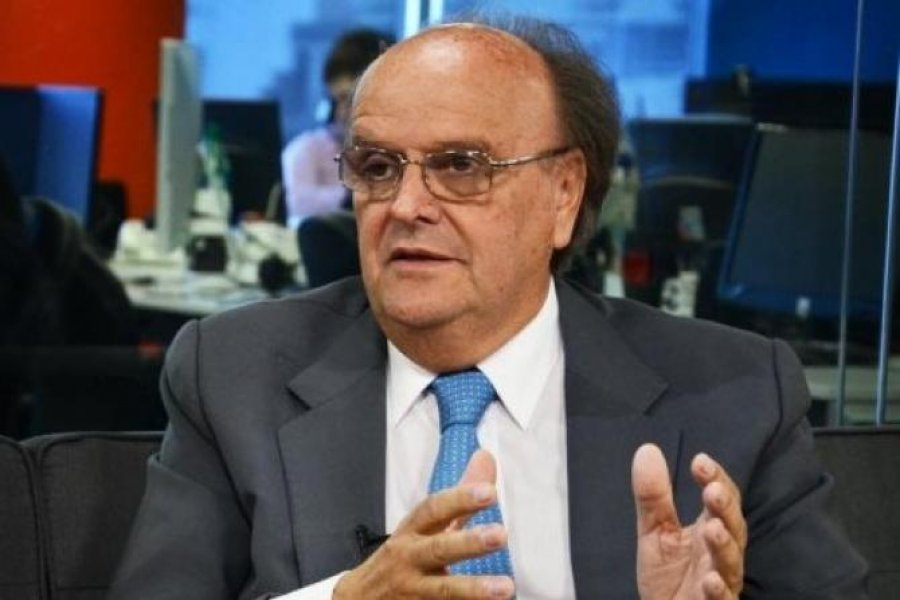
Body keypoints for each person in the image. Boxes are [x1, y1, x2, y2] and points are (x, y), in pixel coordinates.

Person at [110, 15, 867, 600]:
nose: (406, 205)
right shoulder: (231, 375)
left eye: (461, 167)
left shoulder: (736, 395)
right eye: (377, 166)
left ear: (564, 195)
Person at [281, 28, 393, 227]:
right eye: (339, 100)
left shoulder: (404, 151)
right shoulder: (306, 149)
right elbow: (295, 202)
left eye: (352, 100)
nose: (343, 111)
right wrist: (352, 195)